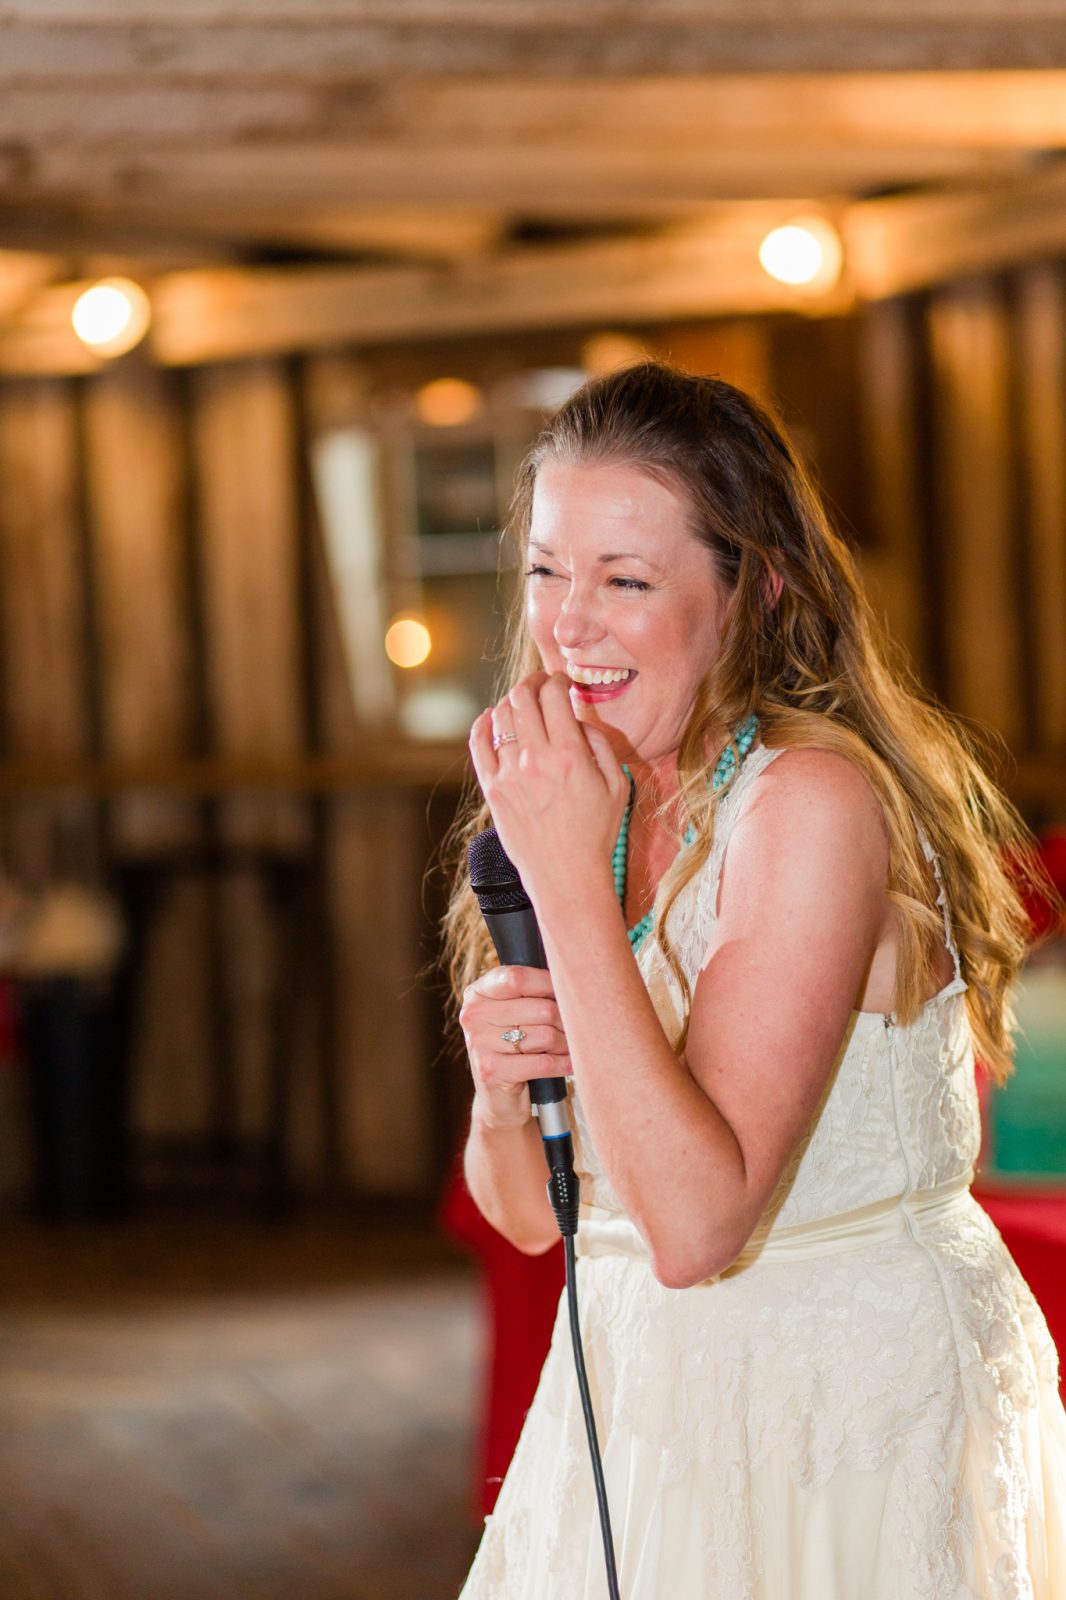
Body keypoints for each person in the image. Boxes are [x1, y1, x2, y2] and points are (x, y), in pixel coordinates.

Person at [443, 361, 1066, 1598]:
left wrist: (567, 893)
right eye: (548, 572)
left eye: (625, 580)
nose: (569, 624)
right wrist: (500, 1095)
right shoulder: (596, 802)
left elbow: (697, 1223)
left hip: (838, 1419)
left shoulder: (810, 802)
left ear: (753, 592)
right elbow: (537, 1216)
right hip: (637, 1403)